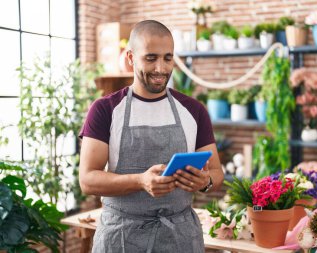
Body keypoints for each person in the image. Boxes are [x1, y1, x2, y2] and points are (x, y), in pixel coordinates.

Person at [79, 20, 223, 253]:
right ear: (130, 58)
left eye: (168, 58)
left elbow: (216, 173)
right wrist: (140, 181)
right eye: (151, 58)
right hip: (121, 238)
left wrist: (204, 182)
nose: (161, 68)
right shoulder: (105, 109)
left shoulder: (194, 110)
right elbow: (87, 180)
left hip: (180, 239)